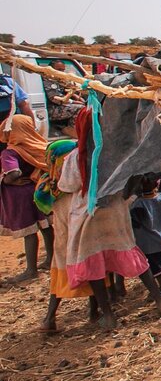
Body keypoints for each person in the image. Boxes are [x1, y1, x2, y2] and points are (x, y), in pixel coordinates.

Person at [63, 108, 161, 329]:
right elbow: (129, 180)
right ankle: (160, 302)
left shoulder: (76, 157)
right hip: (114, 213)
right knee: (130, 253)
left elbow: (67, 185)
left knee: (94, 263)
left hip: (88, 216)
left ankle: (107, 314)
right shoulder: (113, 153)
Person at [36, 139, 96, 333]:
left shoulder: (49, 186)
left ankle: (49, 318)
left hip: (62, 244)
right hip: (82, 240)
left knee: (59, 277)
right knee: (94, 272)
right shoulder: (76, 185)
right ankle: (95, 312)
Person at [0, 115, 52, 280]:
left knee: (29, 231)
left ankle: (31, 270)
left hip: (20, 196)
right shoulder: (38, 145)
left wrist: (3, 179)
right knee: (46, 227)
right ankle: (51, 259)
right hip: (39, 191)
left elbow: (14, 174)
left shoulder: (10, 152)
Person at [129, 174, 161, 298]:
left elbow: (136, 222)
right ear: (157, 184)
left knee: (154, 267)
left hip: (147, 242)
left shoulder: (138, 204)